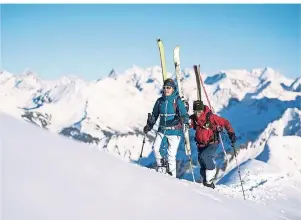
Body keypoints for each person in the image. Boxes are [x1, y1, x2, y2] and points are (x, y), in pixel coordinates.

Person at [143, 78, 189, 177]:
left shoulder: (177, 101)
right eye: (165, 87)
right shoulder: (160, 101)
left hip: (175, 132)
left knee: (171, 156)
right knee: (156, 148)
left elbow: (185, 114)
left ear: (173, 89)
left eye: (168, 87)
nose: (166, 89)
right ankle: (162, 168)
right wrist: (149, 125)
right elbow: (155, 115)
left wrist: (183, 119)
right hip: (162, 130)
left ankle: (172, 177)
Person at [189, 100, 236, 188]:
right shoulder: (194, 118)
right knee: (201, 161)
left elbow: (225, 122)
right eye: (195, 111)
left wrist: (231, 133)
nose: (197, 114)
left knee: (204, 156)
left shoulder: (210, 117)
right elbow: (188, 123)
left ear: (202, 110)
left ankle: (211, 174)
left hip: (212, 143)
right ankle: (208, 184)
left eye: (199, 112)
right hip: (201, 145)